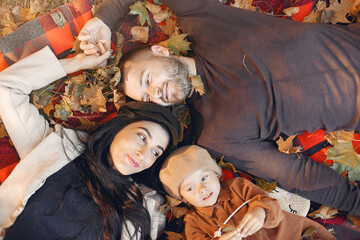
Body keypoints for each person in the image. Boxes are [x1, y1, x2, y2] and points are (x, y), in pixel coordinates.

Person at [78, 0, 360, 214]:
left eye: (148, 79)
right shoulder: (214, 135)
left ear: (161, 51)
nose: (155, 92)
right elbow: (295, 175)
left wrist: (105, 18)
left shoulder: (205, 24)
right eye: (148, 97)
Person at [0, 46, 180, 240]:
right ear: (120, 126)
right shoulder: (59, 148)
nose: (143, 154)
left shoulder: (142, 208)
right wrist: (78, 63)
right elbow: (8, 89)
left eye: (155, 152)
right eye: (142, 137)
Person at [159, 145, 336, 240]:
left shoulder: (237, 186)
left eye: (204, 178)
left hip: (290, 233)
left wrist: (259, 212)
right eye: (190, 188)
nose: (202, 188)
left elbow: (271, 205)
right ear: (184, 198)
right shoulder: (194, 222)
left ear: (216, 174)